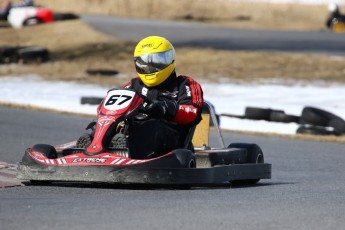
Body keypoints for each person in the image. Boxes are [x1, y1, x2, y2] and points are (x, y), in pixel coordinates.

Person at [121, 35, 204, 159]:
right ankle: (95, 151)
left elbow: (193, 113)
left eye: (157, 61)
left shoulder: (183, 84)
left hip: (171, 144)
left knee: (152, 127)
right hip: (133, 133)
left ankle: (128, 153)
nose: (150, 67)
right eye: (145, 63)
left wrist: (165, 108)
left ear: (170, 60)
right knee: (102, 127)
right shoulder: (133, 85)